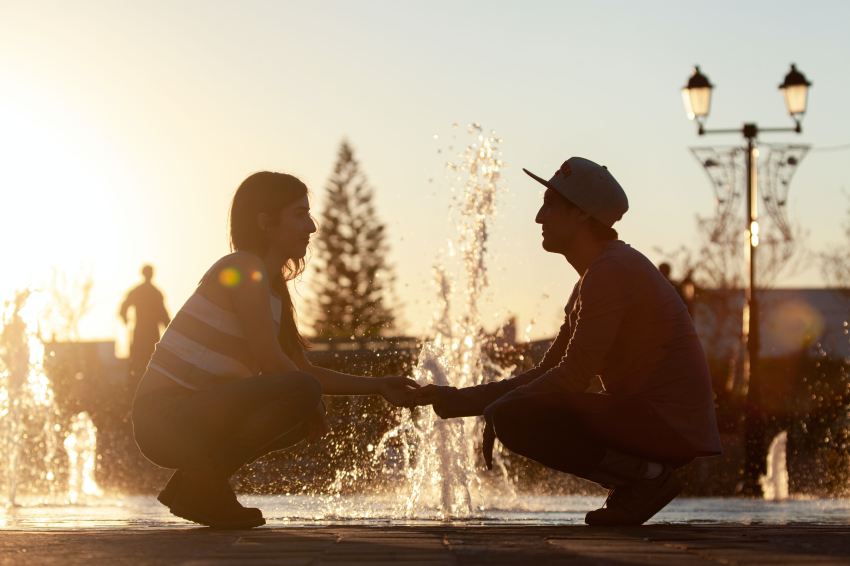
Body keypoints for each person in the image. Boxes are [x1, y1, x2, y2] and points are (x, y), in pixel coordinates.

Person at [414, 157, 721, 526]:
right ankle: (642, 477)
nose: (539, 218)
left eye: (549, 205)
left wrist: (503, 408)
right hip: (652, 420)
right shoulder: (595, 277)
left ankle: (647, 478)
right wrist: (456, 399)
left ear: (580, 215)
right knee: (517, 410)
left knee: (518, 416)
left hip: (668, 426)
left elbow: (573, 376)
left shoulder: (611, 272)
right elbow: (547, 373)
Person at [132, 172, 419, 529]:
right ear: (266, 222)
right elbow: (273, 362)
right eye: (300, 214)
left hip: (197, 415)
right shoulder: (242, 269)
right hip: (163, 417)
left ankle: (198, 486)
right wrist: (306, 395)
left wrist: (379, 385)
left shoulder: (273, 291)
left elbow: (303, 370)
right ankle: (202, 488)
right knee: (301, 394)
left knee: (301, 400)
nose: (311, 227)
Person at [120, 264, 171, 389]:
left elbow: (123, 308)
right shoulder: (154, 292)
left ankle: (137, 387)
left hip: (144, 332)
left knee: (141, 362)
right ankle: (138, 387)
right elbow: (165, 317)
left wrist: (126, 319)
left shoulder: (143, 291)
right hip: (147, 332)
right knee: (144, 361)